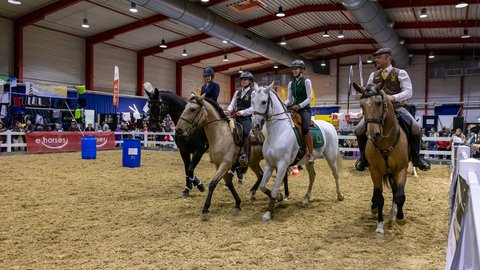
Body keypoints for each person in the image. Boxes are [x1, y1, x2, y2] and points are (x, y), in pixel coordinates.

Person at [354, 48, 430, 171]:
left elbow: (408, 91)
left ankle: (417, 158)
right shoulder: (373, 75)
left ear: (387, 58)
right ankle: (363, 159)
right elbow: (368, 92)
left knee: (416, 128)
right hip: (377, 109)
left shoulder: (400, 73)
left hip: (397, 108)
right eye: (376, 57)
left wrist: (393, 97)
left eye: (379, 57)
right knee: (358, 129)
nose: (376, 60)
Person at [285, 59, 315, 163]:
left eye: (296, 69)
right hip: (293, 109)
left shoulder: (307, 81)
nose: (294, 71)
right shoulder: (291, 84)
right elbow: (289, 99)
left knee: (305, 128)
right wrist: (284, 105)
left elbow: (310, 98)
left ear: (301, 70)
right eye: (293, 69)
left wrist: (299, 105)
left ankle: (310, 153)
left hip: (304, 110)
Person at [227, 71, 255, 165]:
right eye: (242, 79)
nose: (243, 81)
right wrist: (228, 110)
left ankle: (245, 155)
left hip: (247, 118)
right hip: (236, 117)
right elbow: (232, 104)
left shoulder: (253, 93)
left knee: (246, 132)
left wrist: (242, 112)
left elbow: (253, 108)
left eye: (245, 79)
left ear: (250, 81)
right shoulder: (237, 92)